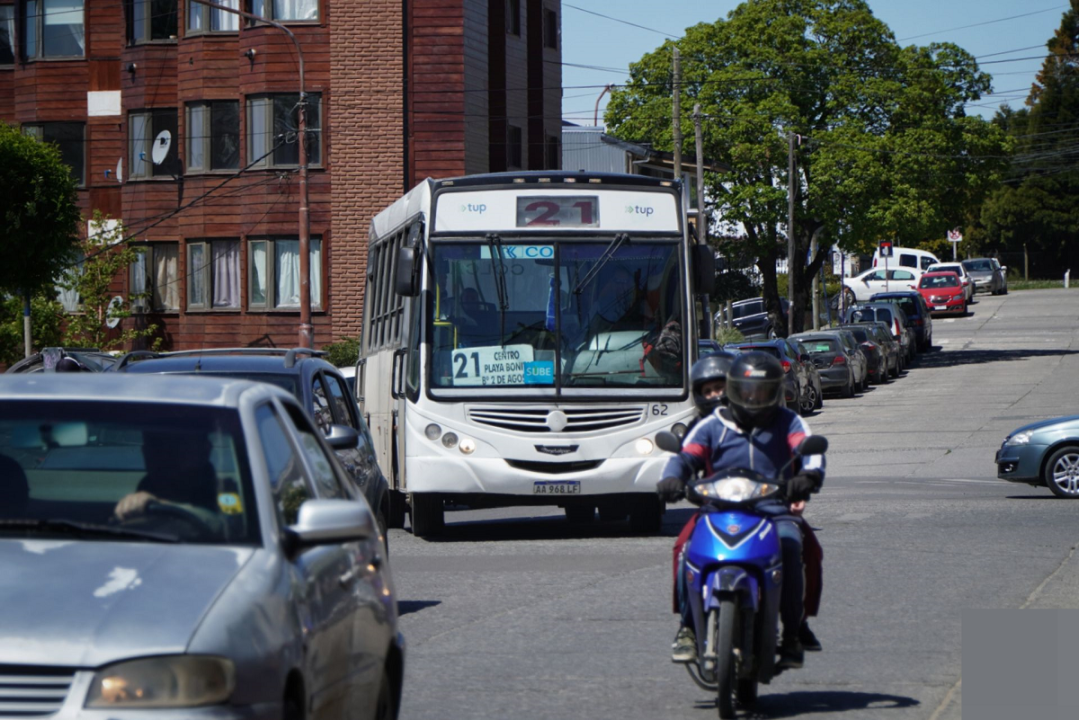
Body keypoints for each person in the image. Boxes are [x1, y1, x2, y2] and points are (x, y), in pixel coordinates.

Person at [657, 351, 825, 670]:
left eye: (763, 392)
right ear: (734, 389)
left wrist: (808, 476)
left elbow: (809, 448)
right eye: (747, 391)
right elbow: (685, 456)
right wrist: (671, 479)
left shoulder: (787, 421)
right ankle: (688, 630)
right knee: (685, 551)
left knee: (792, 547)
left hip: (774, 510)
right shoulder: (711, 425)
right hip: (716, 508)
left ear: (776, 392)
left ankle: (792, 632)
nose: (754, 398)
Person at [114, 430, 220, 525]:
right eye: (155, 445)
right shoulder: (148, 485)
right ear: (144, 451)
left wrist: (157, 504)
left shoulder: (222, 489)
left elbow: (223, 525)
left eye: (179, 445)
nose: (165, 455)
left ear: (204, 450)